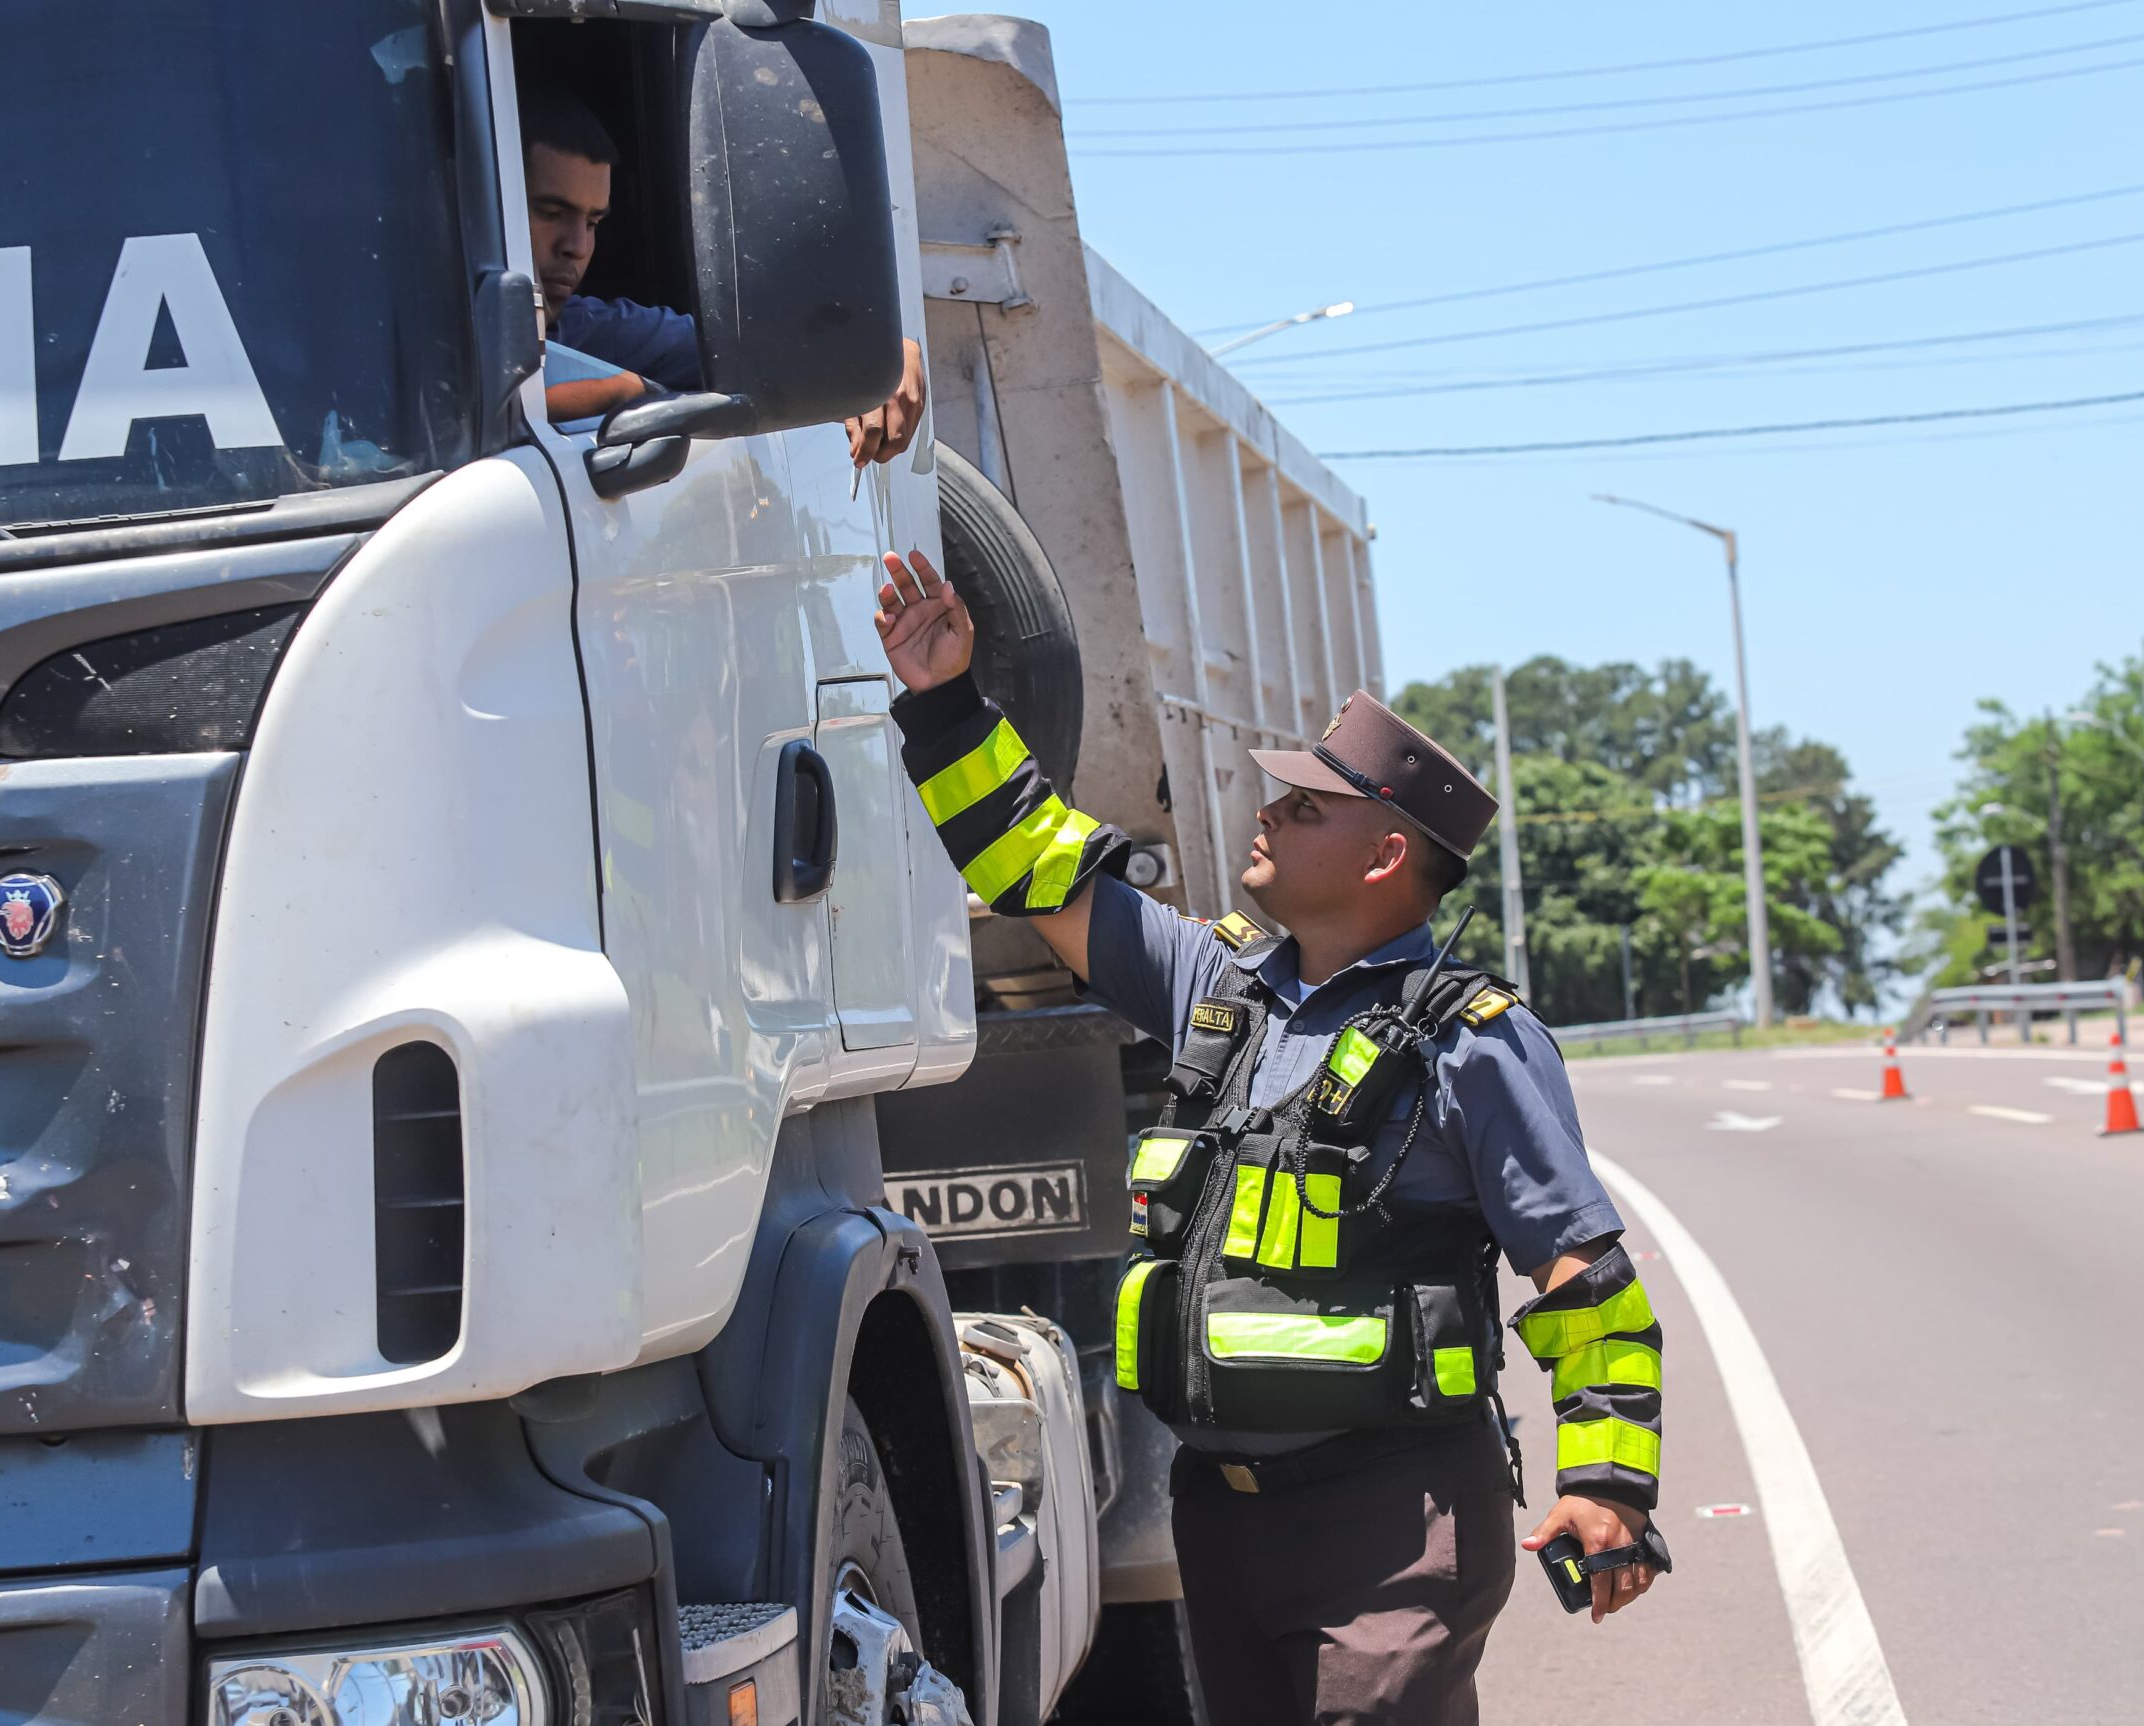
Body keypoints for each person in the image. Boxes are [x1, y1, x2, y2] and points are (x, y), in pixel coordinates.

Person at [872, 548, 1669, 1726]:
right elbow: (1033, 868)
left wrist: (1610, 1483)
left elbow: (1579, 1270)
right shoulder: (1218, 984)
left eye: (1304, 808)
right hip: (1224, 1519)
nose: (1266, 812)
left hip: (1392, 1526)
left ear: (1385, 856)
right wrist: (944, 700)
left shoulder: (1473, 1042)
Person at [521, 88, 925, 462]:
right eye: (550, 213)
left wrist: (876, 357)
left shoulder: (583, 328)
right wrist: (610, 395)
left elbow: (738, 352)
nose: (577, 245)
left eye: (593, 222)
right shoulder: (466, 352)